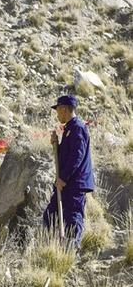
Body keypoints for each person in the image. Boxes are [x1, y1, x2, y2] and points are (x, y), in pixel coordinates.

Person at [43, 95, 94, 248]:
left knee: (73, 217)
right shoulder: (69, 129)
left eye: (58, 110)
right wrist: (57, 145)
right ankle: (51, 247)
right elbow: (66, 156)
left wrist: (63, 178)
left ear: (64, 109)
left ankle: (72, 250)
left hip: (74, 184)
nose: (57, 114)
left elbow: (77, 156)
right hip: (66, 183)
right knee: (50, 215)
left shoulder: (78, 127)